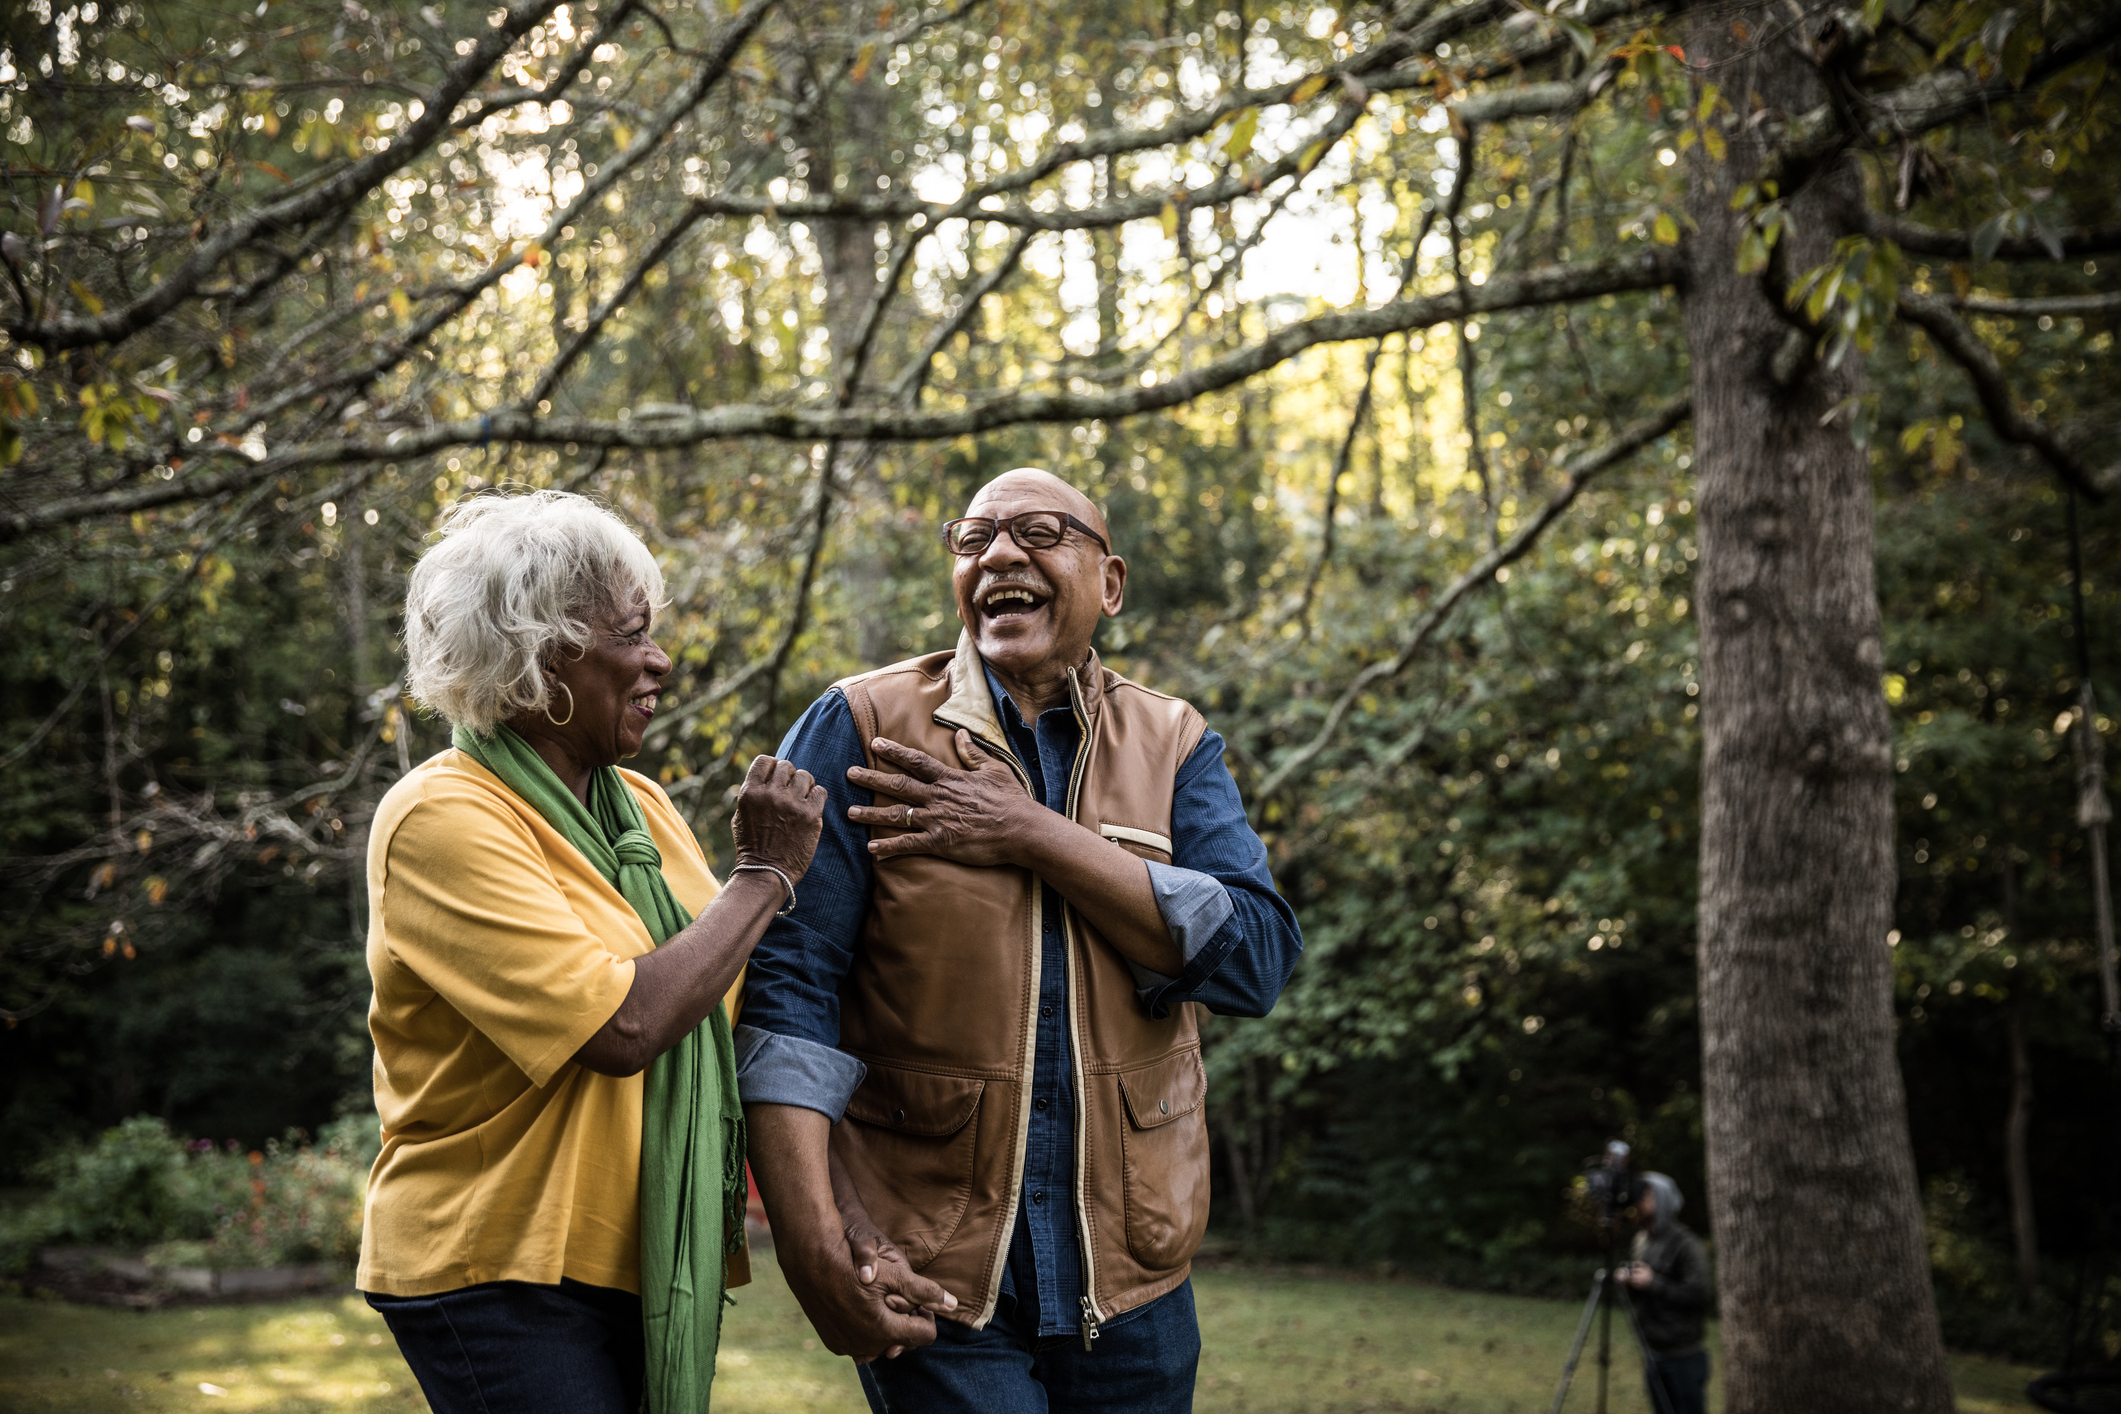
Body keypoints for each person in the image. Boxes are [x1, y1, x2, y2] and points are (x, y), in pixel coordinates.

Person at [737, 467, 1305, 1413]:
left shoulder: (1173, 744)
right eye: (973, 540)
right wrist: (813, 1241)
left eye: (1040, 532)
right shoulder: (862, 727)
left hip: (1136, 1285)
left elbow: (1254, 959)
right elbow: (787, 998)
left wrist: (1029, 832)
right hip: (932, 1273)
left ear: (1110, 583)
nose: (1001, 554)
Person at [357, 489, 826, 1414]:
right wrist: (765, 878)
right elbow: (624, 1022)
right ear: (538, 655)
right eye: (631, 634)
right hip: (496, 1264)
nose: (658, 660)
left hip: (638, 1252)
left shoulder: (641, 814)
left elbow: (730, 995)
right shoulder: (441, 816)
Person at [1621, 1171, 1713, 1414]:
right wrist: (1631, 1282)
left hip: (1683, 1357)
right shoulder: (1642, 1240)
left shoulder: (1685, 1244)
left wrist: (1653, 1282)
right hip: (1653, 1353)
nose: (1637, 1201)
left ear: (1660, 1198)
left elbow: (1700, 1296)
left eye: (1645, 1195)